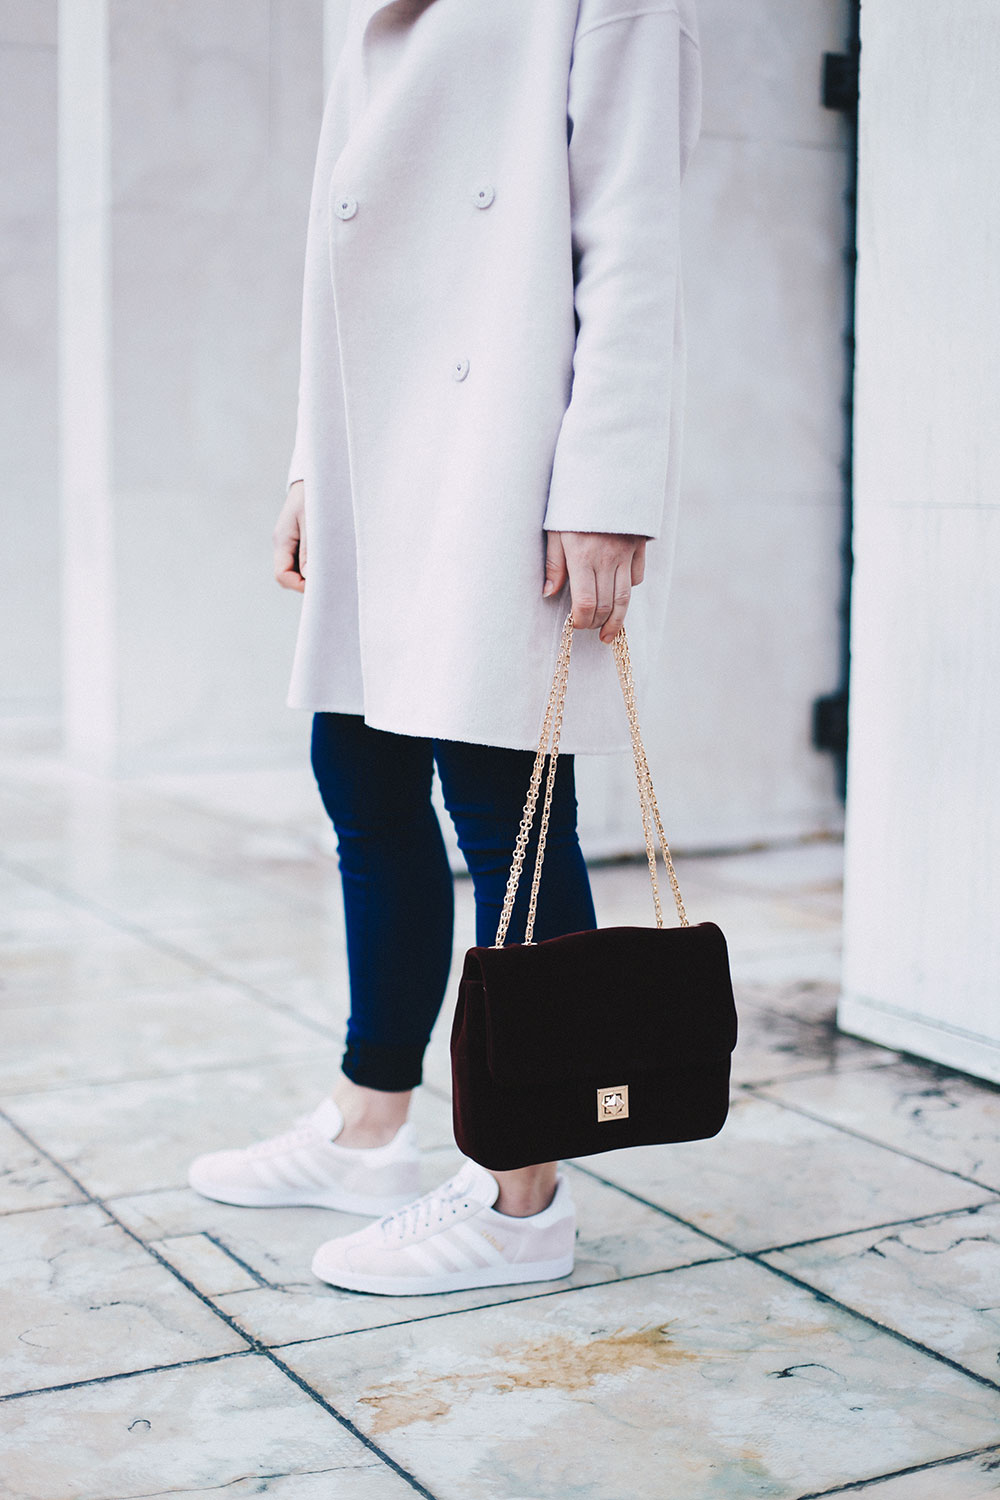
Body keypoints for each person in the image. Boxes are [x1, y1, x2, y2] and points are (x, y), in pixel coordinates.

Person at [188, 0, 702, 1296]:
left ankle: (522, 1194)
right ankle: (372, 1126)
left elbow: (636, 232)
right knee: (357, 775)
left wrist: (609, 483)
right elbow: (334, 249)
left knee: (505, 807)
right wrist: (313, 465)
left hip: (510, 447)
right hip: (378, 448)